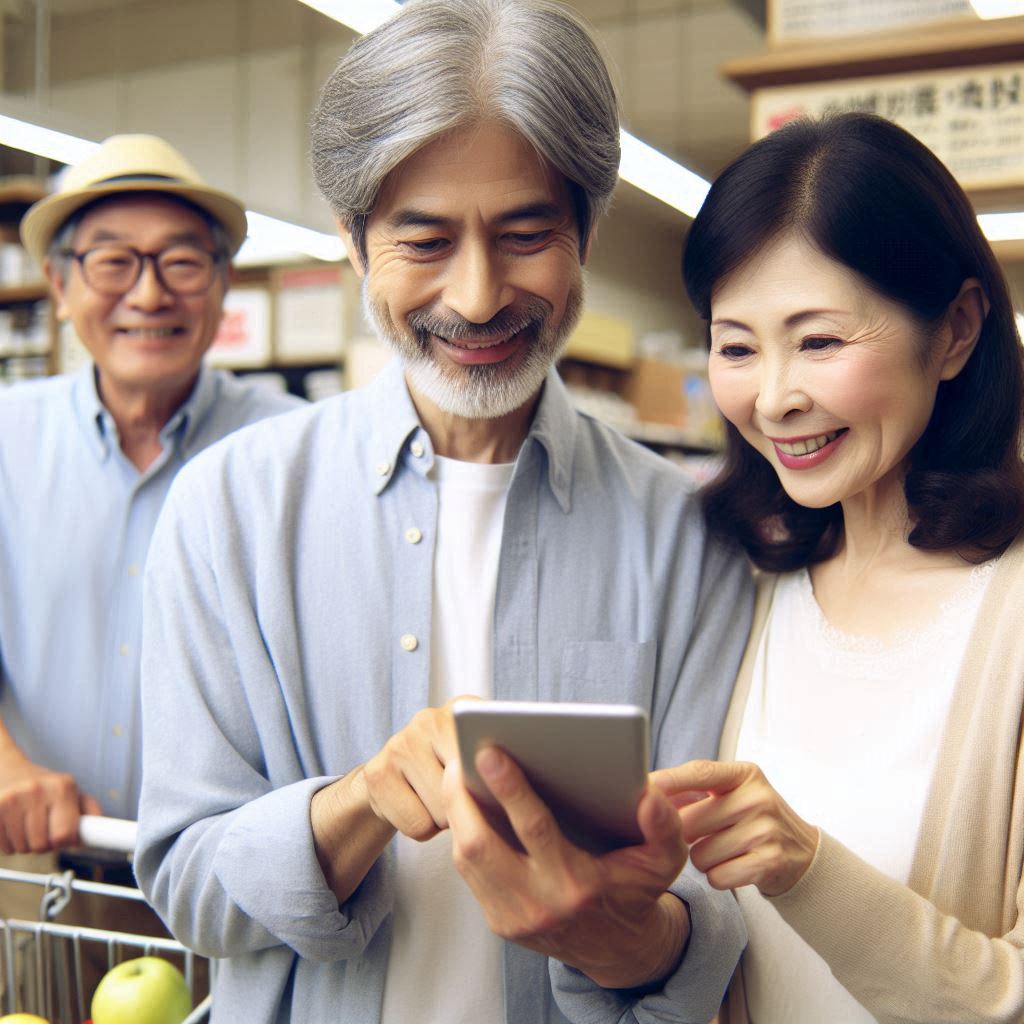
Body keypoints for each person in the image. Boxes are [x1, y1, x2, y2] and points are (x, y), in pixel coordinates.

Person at [134, 1, 752, 1021]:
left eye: (524, 235)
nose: (474, 297)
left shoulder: (686, 536)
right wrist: (359, 802)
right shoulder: (231, 510)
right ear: (349, 239)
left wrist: (627, 930)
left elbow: (712, 911)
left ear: (585, 235)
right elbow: (188, 883)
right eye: (423, 241)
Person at [653, 111, 1024, 1024]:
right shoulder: (740, 587)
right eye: (736, 346)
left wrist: (808, 872)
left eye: (818, 341)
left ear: (957, 332)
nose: (774, 396)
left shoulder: (1008, 616)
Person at [0, 134, 303, 862]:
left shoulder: (292, 452)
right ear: (60, 284)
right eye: (112, 261)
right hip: (45, 870)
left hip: (235, 876)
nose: (148, 292)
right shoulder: (6, 438)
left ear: (223, 284)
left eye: (181, 260)